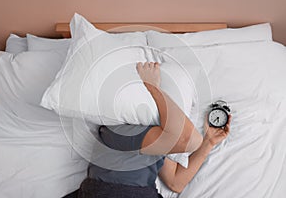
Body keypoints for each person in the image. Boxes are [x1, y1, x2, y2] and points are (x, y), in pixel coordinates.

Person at [78, 62, 231, 198]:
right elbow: (189, 139)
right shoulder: (120, 132)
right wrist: (152, 87)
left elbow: (175, 183)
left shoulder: (152, 137)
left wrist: (209, 143)